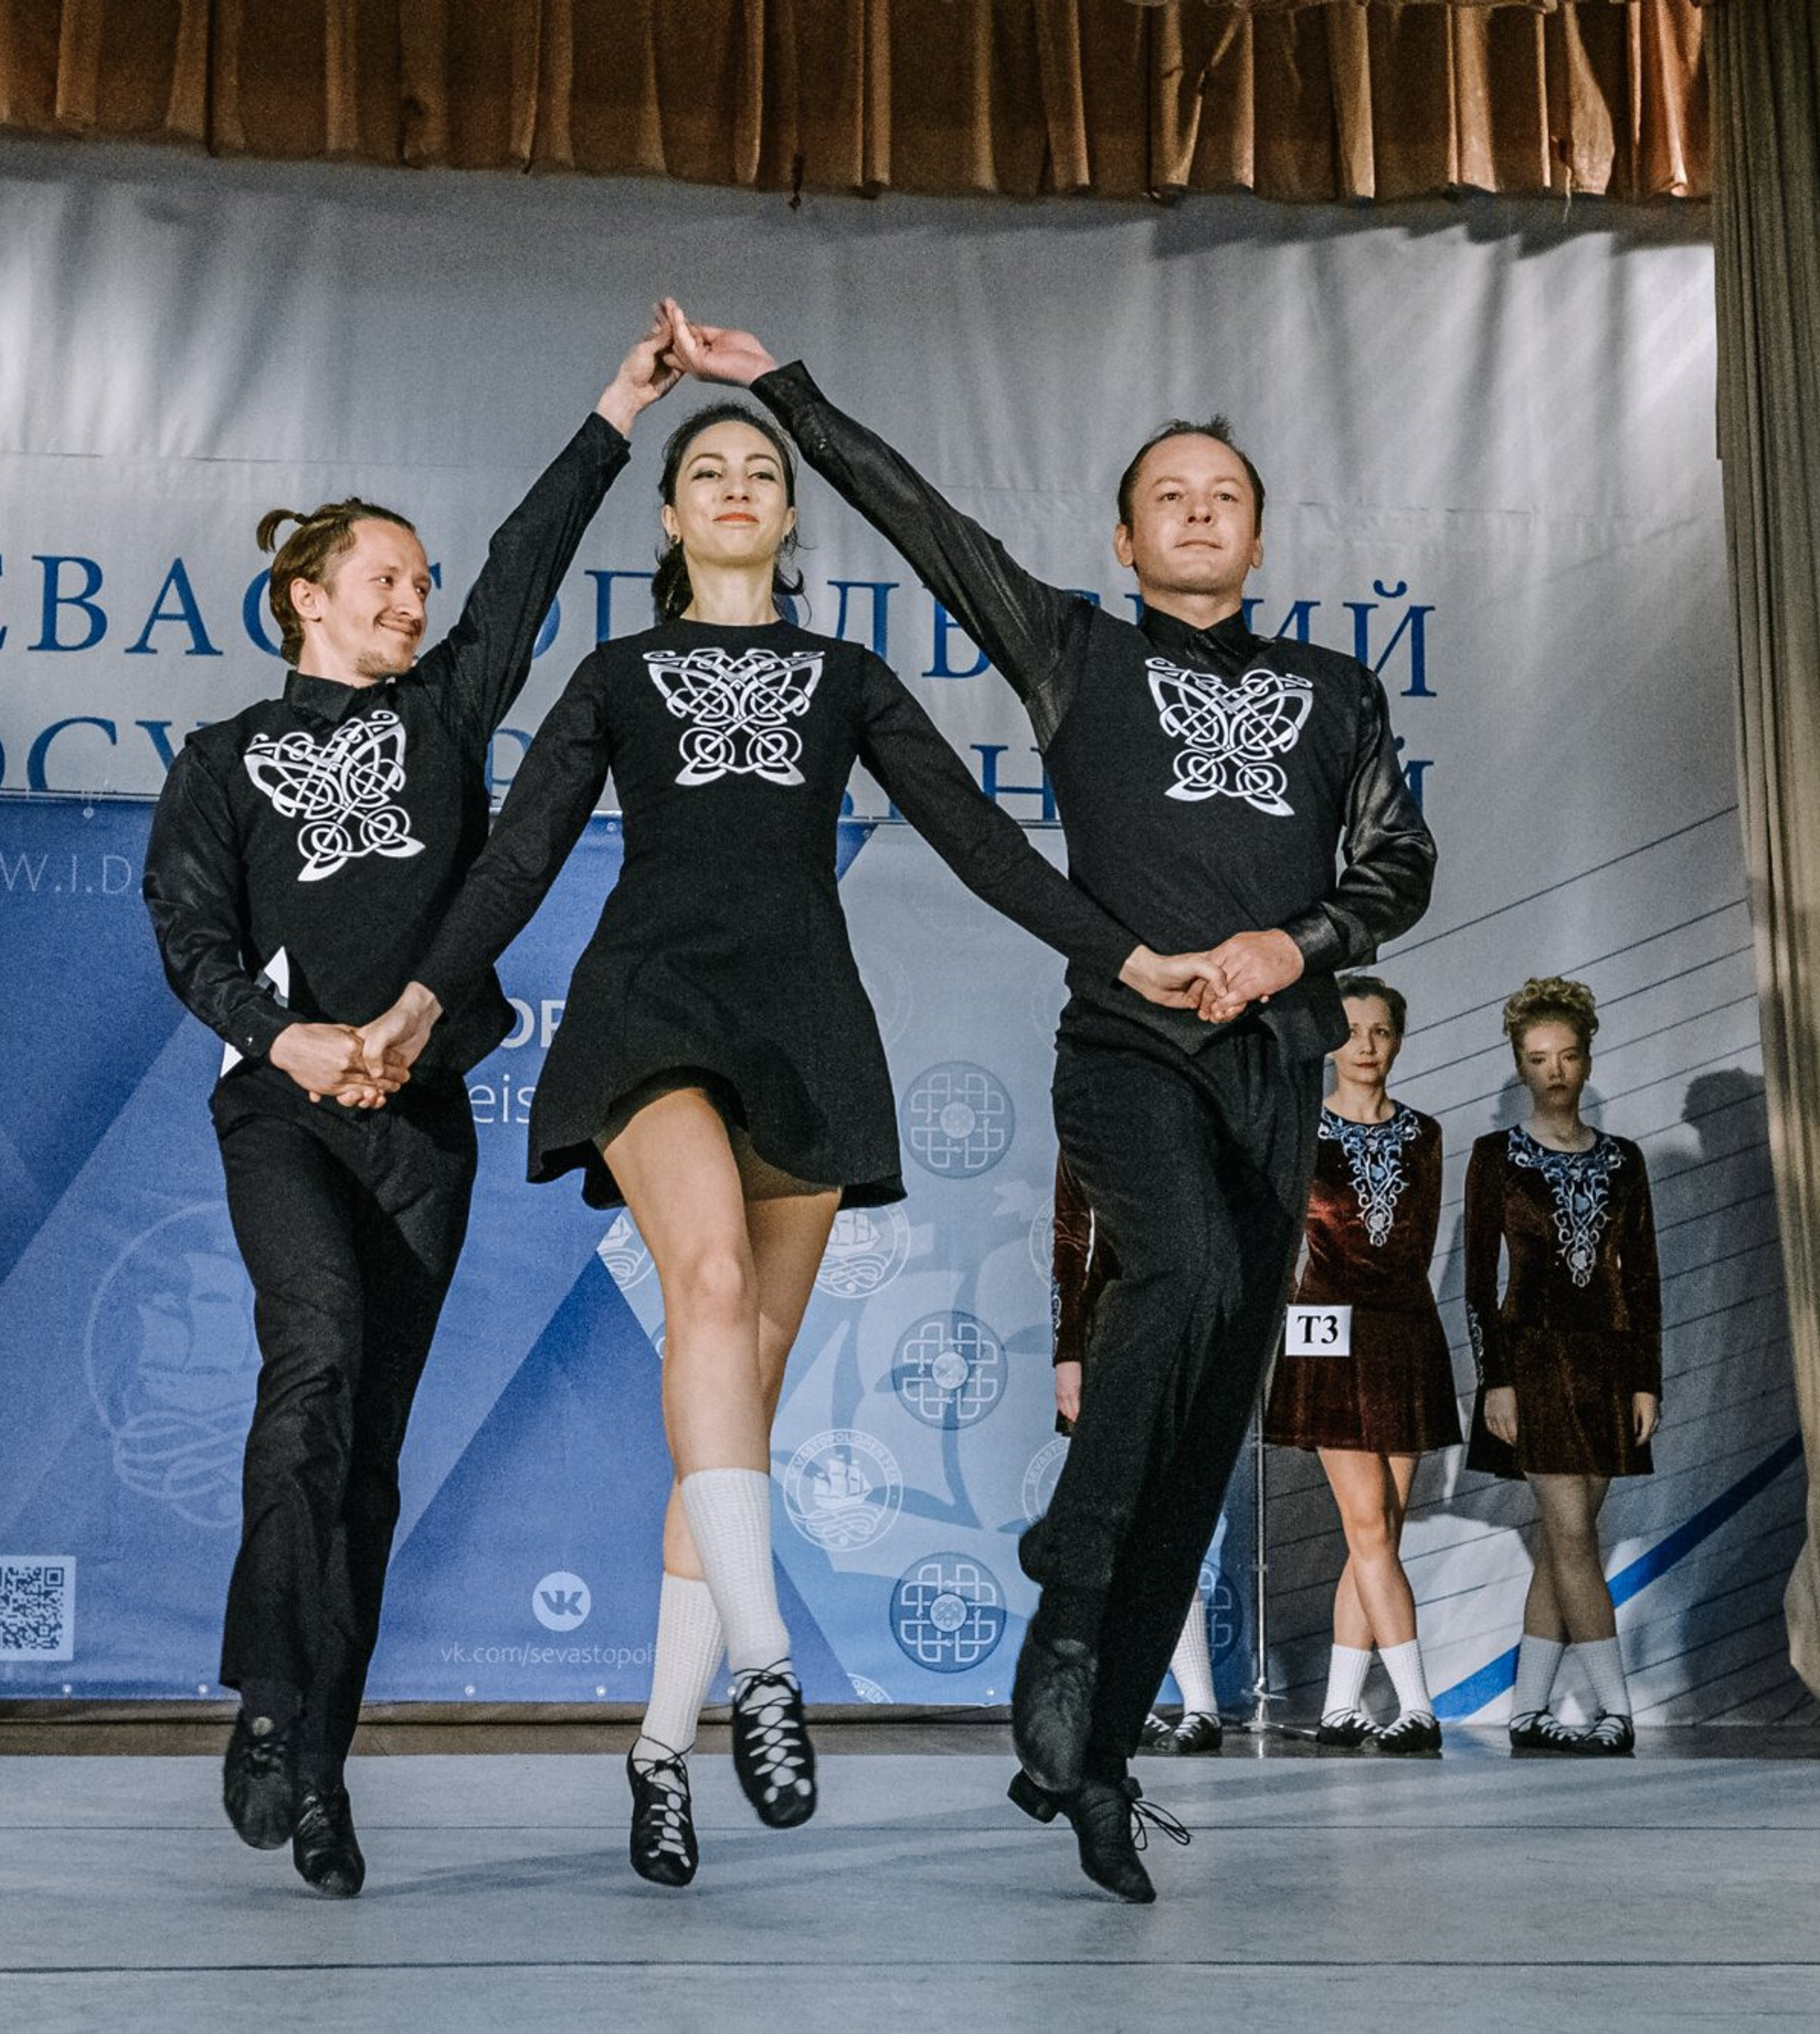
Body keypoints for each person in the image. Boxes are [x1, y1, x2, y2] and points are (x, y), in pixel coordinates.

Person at [358, 399, 1216, 1889]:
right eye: (710, 473)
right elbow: (517, 857)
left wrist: (1127, 955)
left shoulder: (847, 676)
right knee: (702, 1289)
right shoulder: (618, 674)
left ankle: (657, 1749)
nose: (741, 487)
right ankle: (768, 1666)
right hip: (649, 1013)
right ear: (674, 520)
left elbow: (982, 839)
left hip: (807, 1031)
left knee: (739, 1395)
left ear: (792, 520)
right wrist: (424, 997)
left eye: (763, 472)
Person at [666, 301, 1436, 1902]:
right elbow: (925, 525)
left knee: (1203, 1407)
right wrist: (782, 391)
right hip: (1128, 1048)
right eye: (1169, 495)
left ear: (1259, 531)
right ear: (1123, 533)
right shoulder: (1076, 649)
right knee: (1187, 1273)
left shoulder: (1334, 694)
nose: (1199, 513)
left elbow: (1395, 864)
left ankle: (1088, 1750)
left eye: (1224, 494)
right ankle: (1065, 1592)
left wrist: (1286, 943)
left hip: (1273, 1062)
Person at [141, 317, 682, 1897]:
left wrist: (615, 410)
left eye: (422, 580)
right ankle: (262, 1698)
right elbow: (189, 932)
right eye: (386, 575)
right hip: (286, 1116)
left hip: (420, 1127)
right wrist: (285, 1038)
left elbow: (526, 562)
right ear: (306, 595)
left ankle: (318, 1768)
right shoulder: (224, 757)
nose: (415, 596)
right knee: (308, 1363)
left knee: (365, 1449)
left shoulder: (443, 716)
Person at [1464, 976, 1662, 1758]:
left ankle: (1527, 1710)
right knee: (1574, 1536)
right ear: (1519, 1065)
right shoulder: (1494, 1157)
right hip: (1535, 1362)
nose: (1554, 1070)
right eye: (1538, 1057)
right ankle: (1616, 1710)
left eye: (1567, 1055)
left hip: (1609, 1366)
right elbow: (1478, 1281)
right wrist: (1498, 1378)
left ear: (1586, 1058)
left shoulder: (1623, 1160)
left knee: (1562, 1542)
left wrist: (1646, 1377)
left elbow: (1641, 1276)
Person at [1262, 974, 1458, 1756]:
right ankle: (1417, 1705)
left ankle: (1340, 1707)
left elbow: (1419, 1245)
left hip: (1403, 1331)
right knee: (1368, 1522)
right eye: (1350, 1030)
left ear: (1399, 1040)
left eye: (1380, 1031)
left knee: (1381, 1532)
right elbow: (1282, 1247)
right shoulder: (1298, 1130)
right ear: (1326, 1041)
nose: (1366, 1046)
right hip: (1326, 1329)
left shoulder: (1424, 1133)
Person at [1051, 1155, 1224, 1756]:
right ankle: (1135, 1700)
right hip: (1112, 1330)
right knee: (1117, 1527)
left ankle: (1199, 1704)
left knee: (1165, 1521)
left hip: (1187, 1327)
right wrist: (1068, 1348)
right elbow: (1071, 1235)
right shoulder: (1092, 1111)